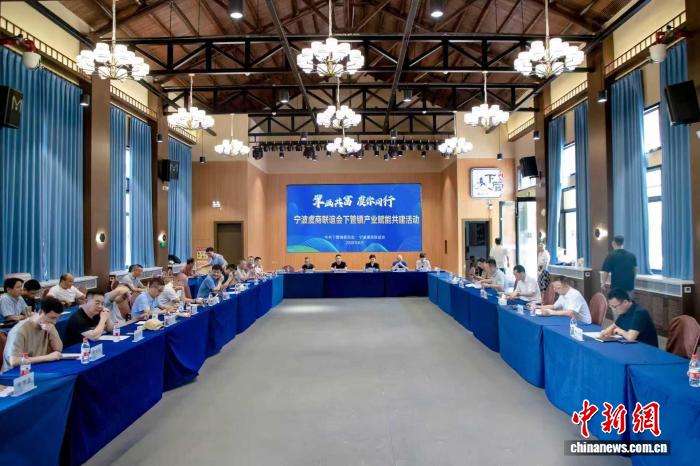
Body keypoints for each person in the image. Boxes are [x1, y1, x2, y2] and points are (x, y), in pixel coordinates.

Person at [2, 297, 64, 372]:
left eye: (57, 318)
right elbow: (14, 361)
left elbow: (58, 350)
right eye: (52, 318)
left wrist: (53, 331)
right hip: (16, 372)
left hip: (37, 367)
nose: (54, 322)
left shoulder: (49, 326)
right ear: (40, 312)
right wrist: (47, 357)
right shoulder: (19, 331)